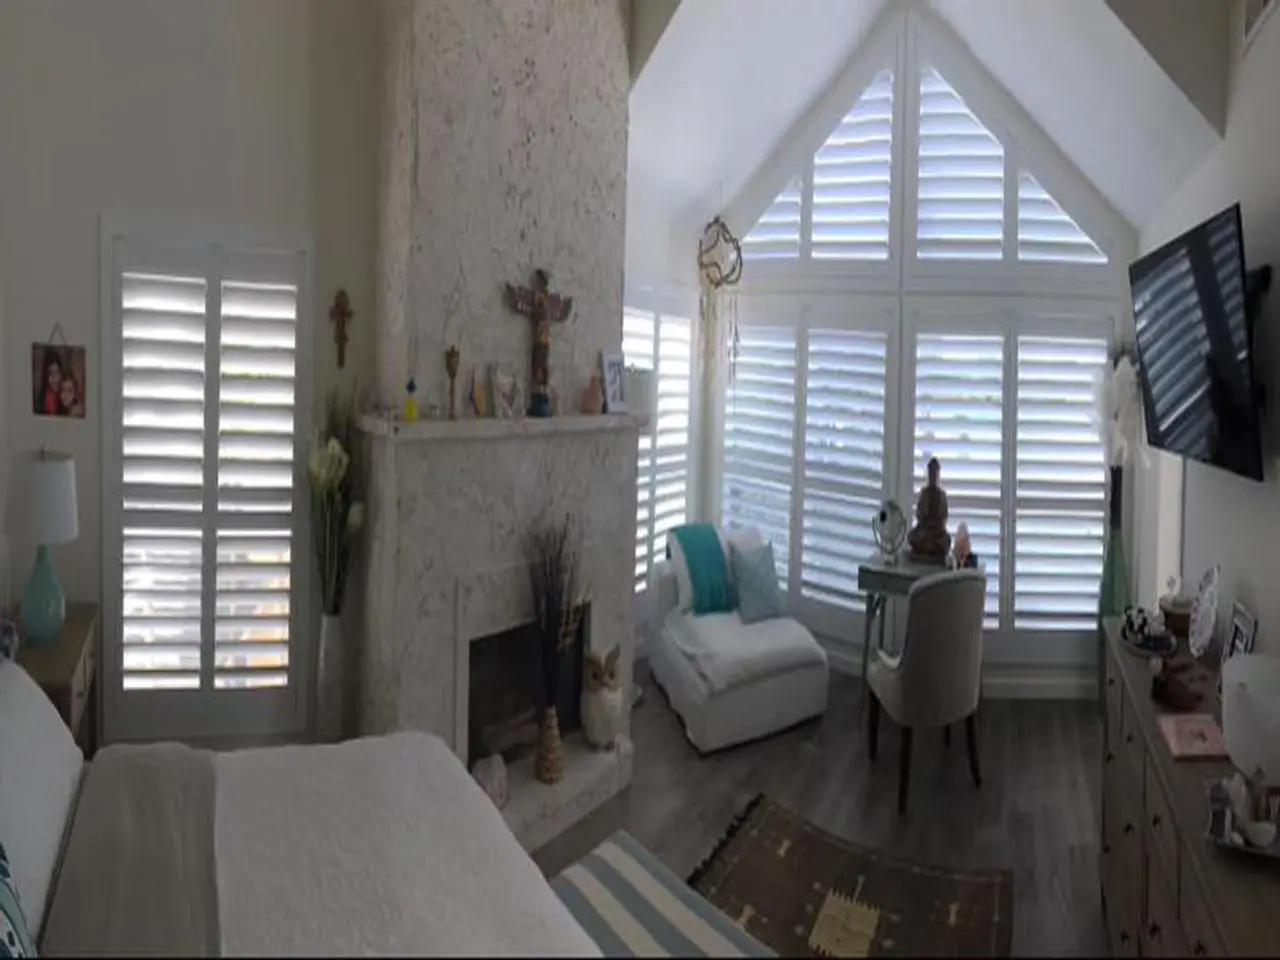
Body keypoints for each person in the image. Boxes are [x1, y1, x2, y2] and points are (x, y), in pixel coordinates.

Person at [33, 347, 63, 416]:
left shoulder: (65, 396)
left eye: (57, 372)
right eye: (51, 373)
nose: (54, 378)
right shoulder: (41, 400)